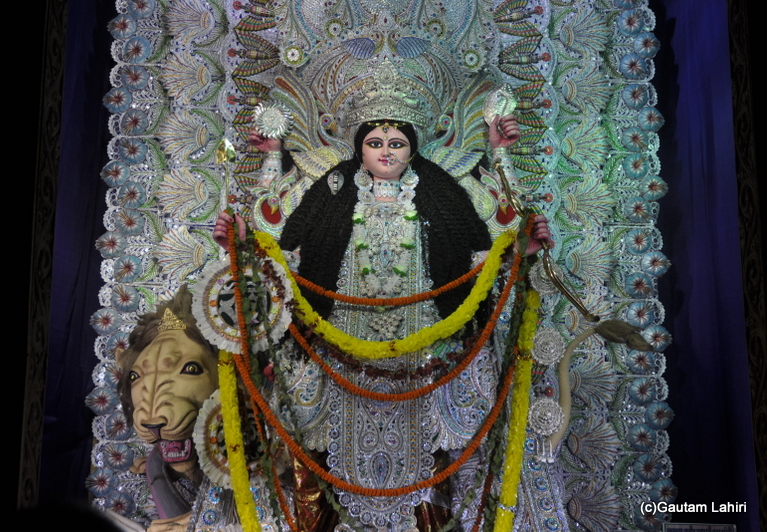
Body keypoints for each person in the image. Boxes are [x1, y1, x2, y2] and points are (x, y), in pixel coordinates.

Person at [212, 113, 553, 532]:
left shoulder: (439, 194)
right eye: (375, 143)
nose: (386, 152)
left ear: (412, 151)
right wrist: (245, 240)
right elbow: (283, 255)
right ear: (360, 151)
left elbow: (484, 255)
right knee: (313, 454)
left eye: (396, 144)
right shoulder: (334, 193)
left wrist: (512, 220)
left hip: (425, 354)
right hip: (338, 351)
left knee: (438, 466)